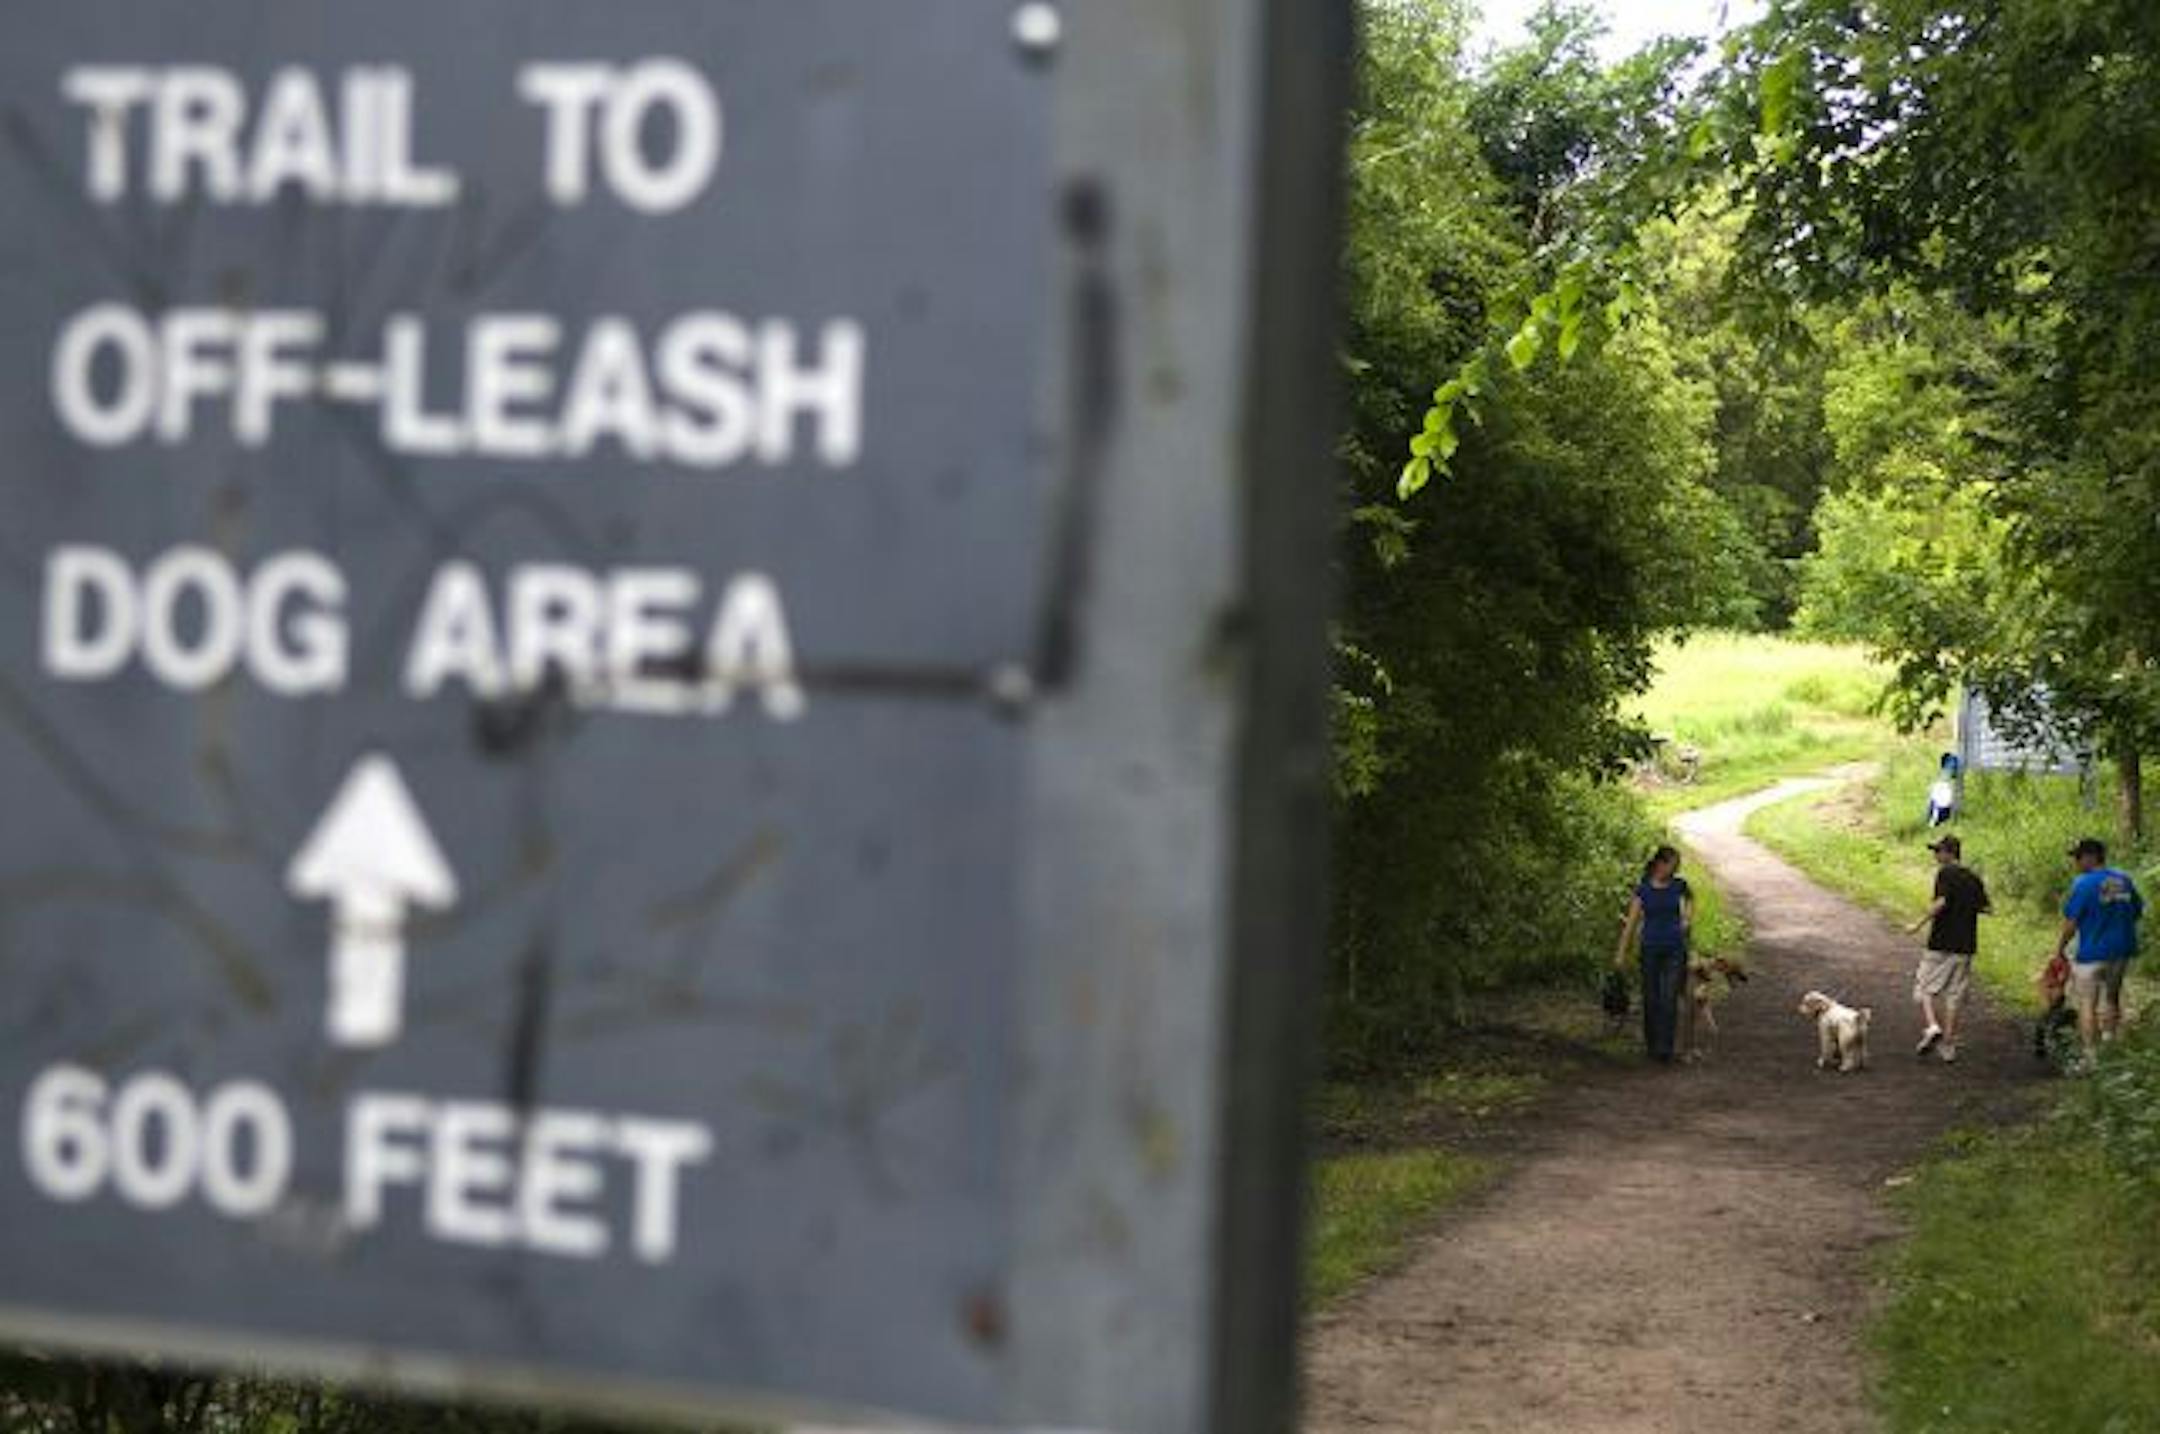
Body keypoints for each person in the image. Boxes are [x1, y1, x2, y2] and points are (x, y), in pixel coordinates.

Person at [2054, 837, 2145, 1069]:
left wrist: (2060, 949)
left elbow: (2071, 923)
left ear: (2090, 857)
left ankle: (2090, 1057)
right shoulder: (2122, 880)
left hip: (2092, 953)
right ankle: (2109, 1045)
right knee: (2112, 997)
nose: (2076, 862)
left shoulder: (2083, 884)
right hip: (2121, 950)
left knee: (2087, 1003)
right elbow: (2135, 911)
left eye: (2078, 857)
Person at [1904, 834, 1990, 1063]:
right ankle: (1948, 1045)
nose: (1935, 855)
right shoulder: (1974, 878)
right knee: (1954, 994)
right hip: (1966, 945)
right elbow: (1987, 908)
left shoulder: (1946, 873)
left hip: (1941, 942)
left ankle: (1932, 1026)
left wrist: (1918, 924)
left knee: (1925, 986)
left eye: (1938, 851)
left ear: (1950, 853)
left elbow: (1941, 903)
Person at [1615, 845, 1691, 1064]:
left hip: (1674, 949)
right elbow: (1631, 924)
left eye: (1678, 865)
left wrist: (1686, 919)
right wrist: (1621, 952)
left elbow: (1690, 900)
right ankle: (1652, 1044)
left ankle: (1664, 1048)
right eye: (1672, 864)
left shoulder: (1679, 885)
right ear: (1659, 864)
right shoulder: (1643, 891)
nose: (1676, 869)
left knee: (1668, 997)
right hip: (1650, 949)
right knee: (1651, 997)